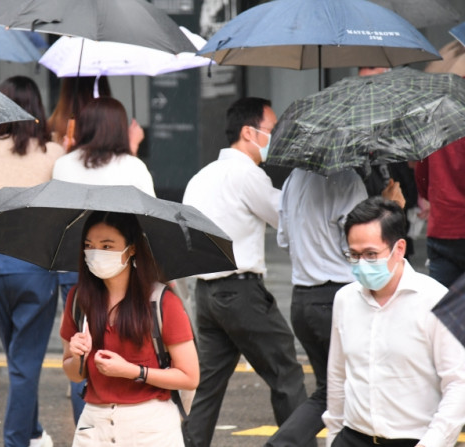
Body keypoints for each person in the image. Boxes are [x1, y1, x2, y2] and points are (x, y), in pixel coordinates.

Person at [181, 97, 308, 447]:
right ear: (248, 132)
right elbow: (285, 217)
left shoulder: (201, 176)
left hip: (205, 295)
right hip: (242, 293)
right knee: (286, 374)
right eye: (271, 129)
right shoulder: (247, 174)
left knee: (207, 386)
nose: (275, 136)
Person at [267, 167, 406, 447]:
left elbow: (283, 239)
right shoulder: (347, 179)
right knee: (351, 388)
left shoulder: (294, 178)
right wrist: (391, 210)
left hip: (302, 297)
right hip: (337, 297)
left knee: (329, 390)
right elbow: (364, 239)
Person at [0, 76, 64, 447]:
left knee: (18, 359)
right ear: (35, 108)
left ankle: (33, 431)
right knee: (24, 363)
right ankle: (16, 442)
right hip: (33, 264)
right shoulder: (53, 153)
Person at [323, 196, 465, 446]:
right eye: (353, 255)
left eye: (371, 254)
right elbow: (337, 376)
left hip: (415, 439)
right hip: (354, 436)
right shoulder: (345, 299)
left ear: (399, 249)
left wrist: (433, 441)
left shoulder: (435, 300)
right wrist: (334, 434)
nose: (361, 264)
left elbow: (458, 383)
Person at [52, 96, 155, 423]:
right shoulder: (133, 166)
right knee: (120, 349)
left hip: (76, 265)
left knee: (80, 350)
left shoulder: (64, 164)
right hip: (123, 271)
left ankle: (90, 421)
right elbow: (149, 217)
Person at [60, 211, 198, 446]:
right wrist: (76, 357)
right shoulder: (78, 300)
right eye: (89, 246)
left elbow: (189, 377)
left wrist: (133, 371)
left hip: (151, 429)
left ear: (132, 249)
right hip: (94, 427)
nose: (96, 254)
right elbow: (75, 374)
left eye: (107, 246)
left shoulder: (162, 302)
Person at [52, 97, 153, 196]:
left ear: (83, 127)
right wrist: (133, 146)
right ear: (120, 129)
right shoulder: (134, 167)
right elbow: (150, 209)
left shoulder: (62, 164)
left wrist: (68, 153)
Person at [414, 138, 465, 287]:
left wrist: (433, 197)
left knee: (440, 301)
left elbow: (421, 175)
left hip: (443, 224)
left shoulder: (436, 126)